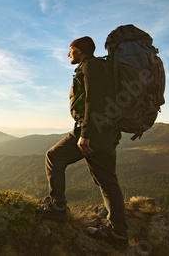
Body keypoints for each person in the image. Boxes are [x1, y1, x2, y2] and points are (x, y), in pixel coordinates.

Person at [36, 36, 129, 250]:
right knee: (107, 182)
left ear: (79, 50)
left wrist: (85, 134)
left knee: (54, 157)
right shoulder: (101, 67)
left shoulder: (90, 67)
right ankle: (119, 235)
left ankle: (58, 208)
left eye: (70, 49)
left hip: (91, 131)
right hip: (107, 132)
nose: (68, 54)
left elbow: (92, 100)